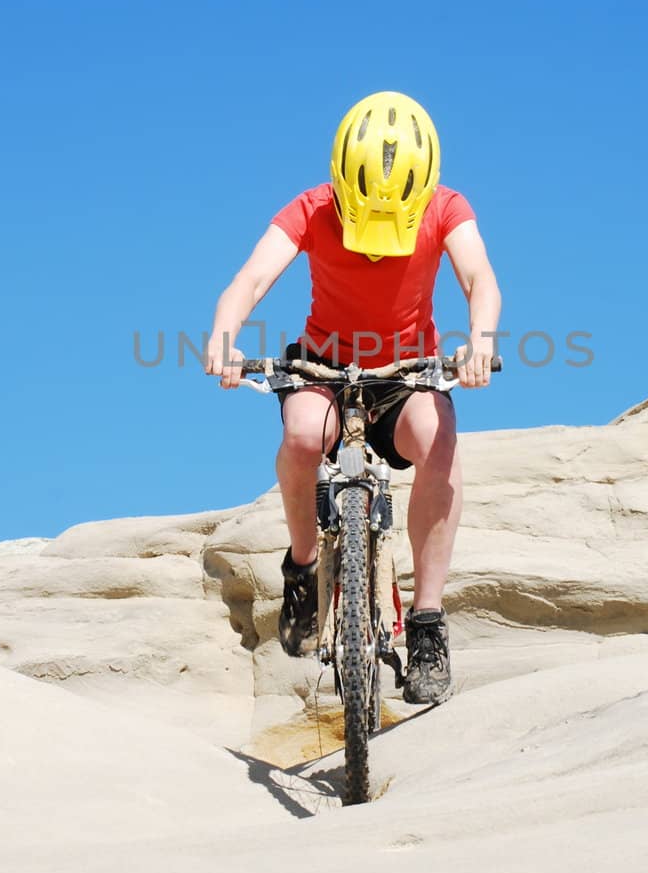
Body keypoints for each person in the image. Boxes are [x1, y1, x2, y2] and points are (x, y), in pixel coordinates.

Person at [206, 91, 501, 704]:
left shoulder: (447, 207)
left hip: (407, 369)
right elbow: (251, 278)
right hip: (324, 363)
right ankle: (304, 566)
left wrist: (480, 341)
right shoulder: (313, 208)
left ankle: (425, 624)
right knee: (301, 436)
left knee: (439, 443)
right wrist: (224, 337)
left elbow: (478, 278)